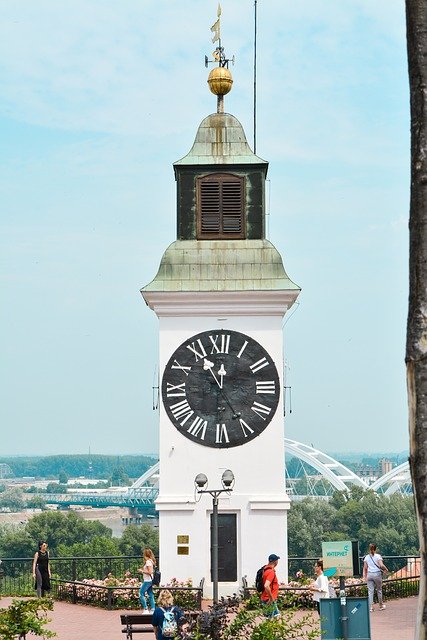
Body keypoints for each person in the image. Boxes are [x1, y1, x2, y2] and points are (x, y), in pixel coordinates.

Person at [363, 543, 388, 612]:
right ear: (375, 549)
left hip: (369, 575)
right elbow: (381, 565)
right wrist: (386, 569)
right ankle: (381, 605)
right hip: (377, 574)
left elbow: (365, 568)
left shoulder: (366, 557)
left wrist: (364, 576)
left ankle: (371, 607)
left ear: (369, 549)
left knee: (370, 591)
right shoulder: (378, 556)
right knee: (379, 590)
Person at [260, 553, 280, 618]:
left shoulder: (265, 570)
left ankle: (274, 628)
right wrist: (271, 599)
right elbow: (266, 585)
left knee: (272, 618)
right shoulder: (271, 572)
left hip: (265, 597)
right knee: (273, 618)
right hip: (268, 599)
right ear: (275, 561)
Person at [139, 547, 157, 612]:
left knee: (141, 593)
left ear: (145, 554)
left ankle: (146, 608)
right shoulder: (151, 561)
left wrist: (142, 571)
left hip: (147, 581)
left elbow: (150, 572)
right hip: (150, 580)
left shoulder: (148, 562)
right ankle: (153, 609)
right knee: (150, 594)